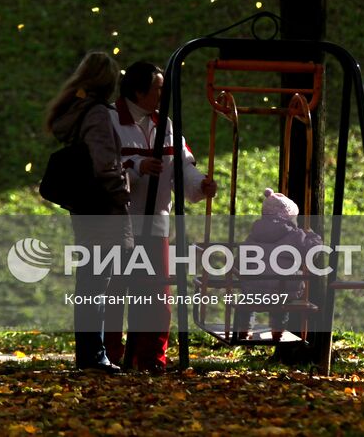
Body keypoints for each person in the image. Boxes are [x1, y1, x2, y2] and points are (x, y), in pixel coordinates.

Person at [106, 60, 218, 372]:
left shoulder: (165, 124)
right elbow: (104, 167)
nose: (163, 94)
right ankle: (111, 356)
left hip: (155, 224)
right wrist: (137, 168)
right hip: (119, 224)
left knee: (156, 295)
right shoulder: (110, 120)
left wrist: (200, 183)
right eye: (158, 88)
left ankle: (151, 359)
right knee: (115, 291)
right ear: (139, 91)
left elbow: (182, 165)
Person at [45, 50, 131, 373]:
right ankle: (93, 355)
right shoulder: (97, 115)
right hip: (103, 209)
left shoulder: (78, 111)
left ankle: (91, 352)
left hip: (85, 208)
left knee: (92, 280)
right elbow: (105, 162)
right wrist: (121, 193)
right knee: (96, 282)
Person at [234, 188, 323, 340]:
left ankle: (244, 329)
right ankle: (278, 331)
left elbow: (240, 259)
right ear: (289, 216)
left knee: (247, 300)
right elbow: (313, 252)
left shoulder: (254, 234)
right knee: (280, 301)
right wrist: (311, 235)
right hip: (283, 289)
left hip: (252, 287)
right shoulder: (296, 235)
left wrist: (238, 271)